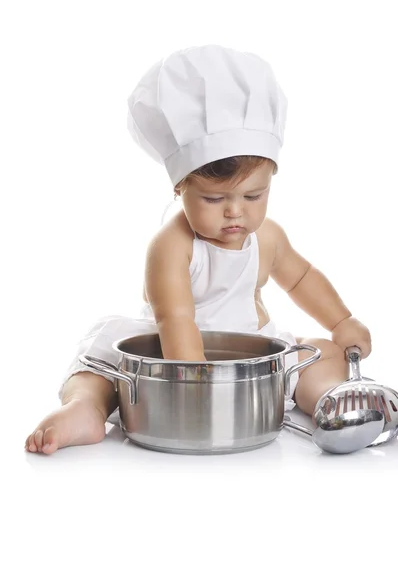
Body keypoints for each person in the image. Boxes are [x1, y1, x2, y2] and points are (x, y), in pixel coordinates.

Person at [25, 44, 371, 455]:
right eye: (212, 199)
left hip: (250, 356)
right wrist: (200, 389)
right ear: (180, 188)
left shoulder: (268, 237)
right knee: (99, 370)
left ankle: (332, 402)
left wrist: (342, 321)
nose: (235, 212)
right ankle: (85, 409)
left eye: (254, 195)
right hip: (170, 357)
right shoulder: (172, 246)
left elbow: (301, 278)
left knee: (321, 354)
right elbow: (176, 319)